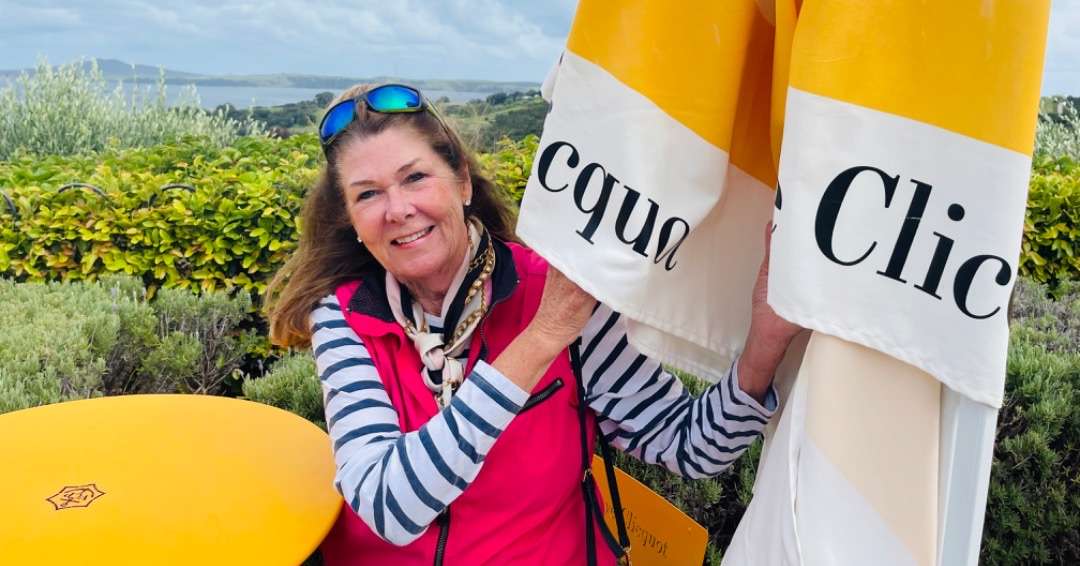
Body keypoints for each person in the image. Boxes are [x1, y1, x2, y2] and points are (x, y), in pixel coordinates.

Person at [266, 83, 802, 566]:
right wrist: (542, 338)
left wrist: (766, 338)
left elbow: (693, 448)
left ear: (462, 183)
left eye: (415, 178)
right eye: (368, 193)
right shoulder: (344, 317)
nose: (399, 208)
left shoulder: (557, 294)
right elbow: (392, 507)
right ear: (352, 222)